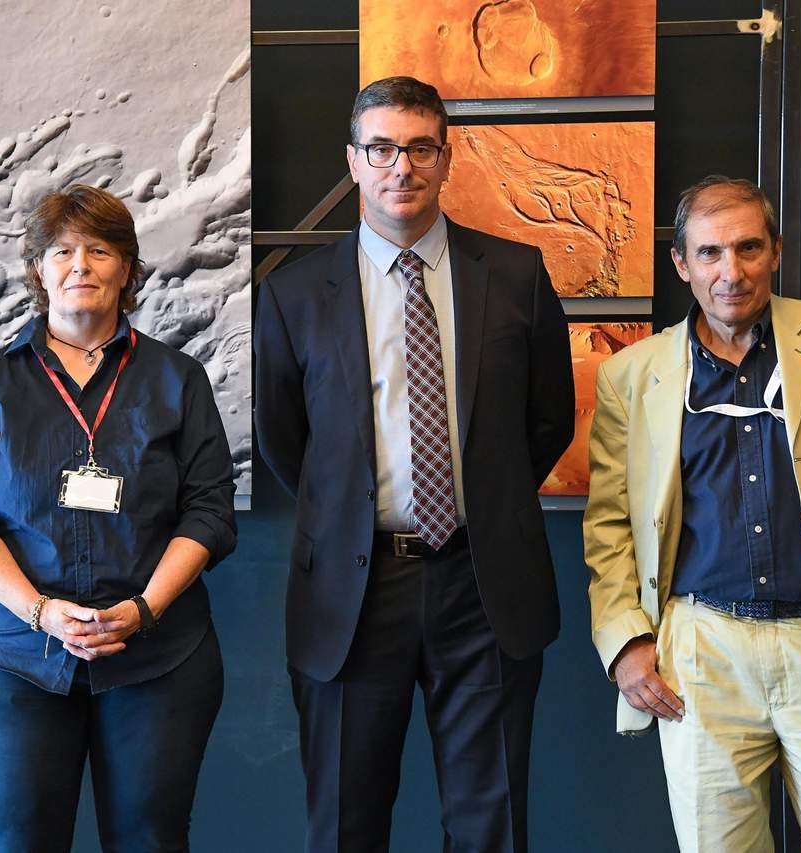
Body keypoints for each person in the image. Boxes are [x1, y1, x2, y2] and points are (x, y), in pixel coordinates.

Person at [254, 76, 574, 853]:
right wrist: (357, 514)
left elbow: (548, 420)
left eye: (420, 147)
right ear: (355, 162)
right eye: (383, 148)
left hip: (484, 582)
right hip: (354, 589)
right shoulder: (293, 294)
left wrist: (482, 503)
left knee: (489, 823)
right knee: (344, 823)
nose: (403, 166)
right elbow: (285, 440)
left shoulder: (518, 276)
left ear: (446, 157)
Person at [584, 175, 801, 851]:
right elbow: (610, 525)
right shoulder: (632, 374)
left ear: (774, 250)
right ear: (682, 263)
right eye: (709, 253)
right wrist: (626, 641)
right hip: (701, 655)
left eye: (747, 248)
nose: (730, 272)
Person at [0, 184, 236, 853]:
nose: (80, 264)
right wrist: (40, 610)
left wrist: (145, 608)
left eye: (100, 249)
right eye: (61, 250)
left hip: (159, 654)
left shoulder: (178, 380)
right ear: (38, 269)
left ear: (127, 267)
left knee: (151, 839)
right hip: (14, 656)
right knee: (18, 840)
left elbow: (210, 511)